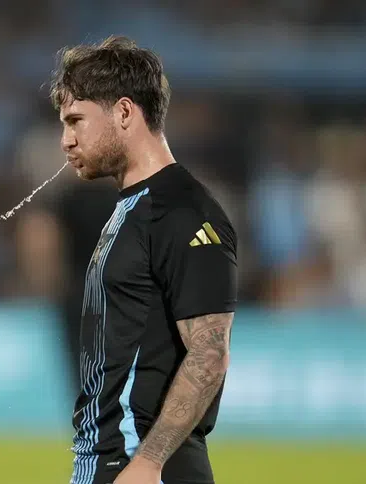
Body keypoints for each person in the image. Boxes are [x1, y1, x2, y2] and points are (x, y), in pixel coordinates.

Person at [49, 36, 238, 484]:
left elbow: (209, 352)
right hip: (107, 462)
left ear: (124, 112)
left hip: (144, 467)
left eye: (76, 121)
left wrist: (149, 462)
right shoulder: (132, 208)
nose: (66, 141)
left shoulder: (182, 211)